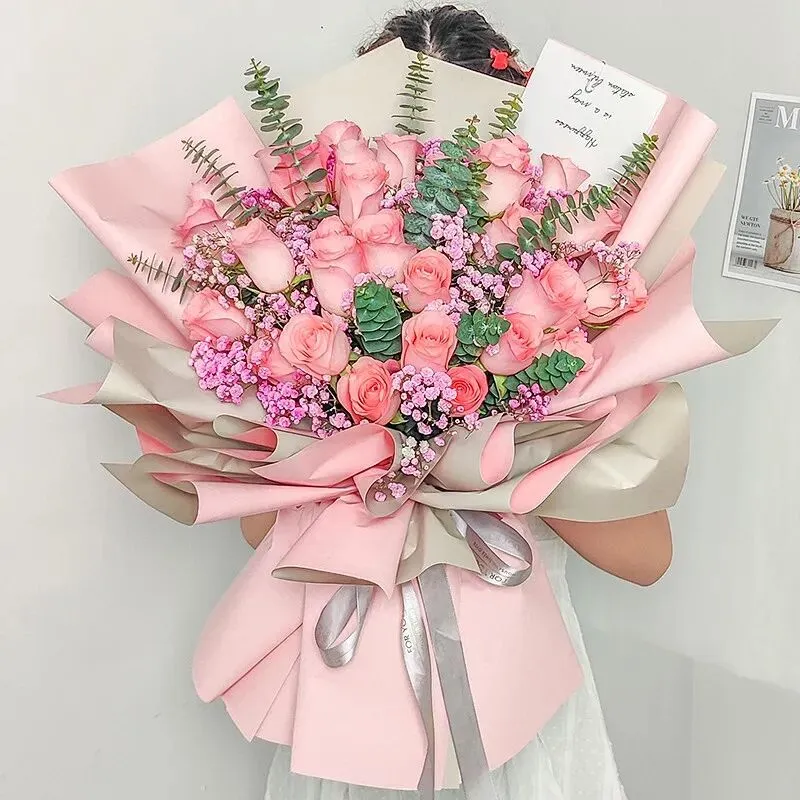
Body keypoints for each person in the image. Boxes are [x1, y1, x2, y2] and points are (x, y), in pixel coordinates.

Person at [248, 6, 674, 799]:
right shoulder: (306, 331)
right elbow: (255, 534)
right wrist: (356, 428)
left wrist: (483, 440)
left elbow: (646, 555)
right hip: (349, 714)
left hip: (516, 705)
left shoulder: (565, 333)